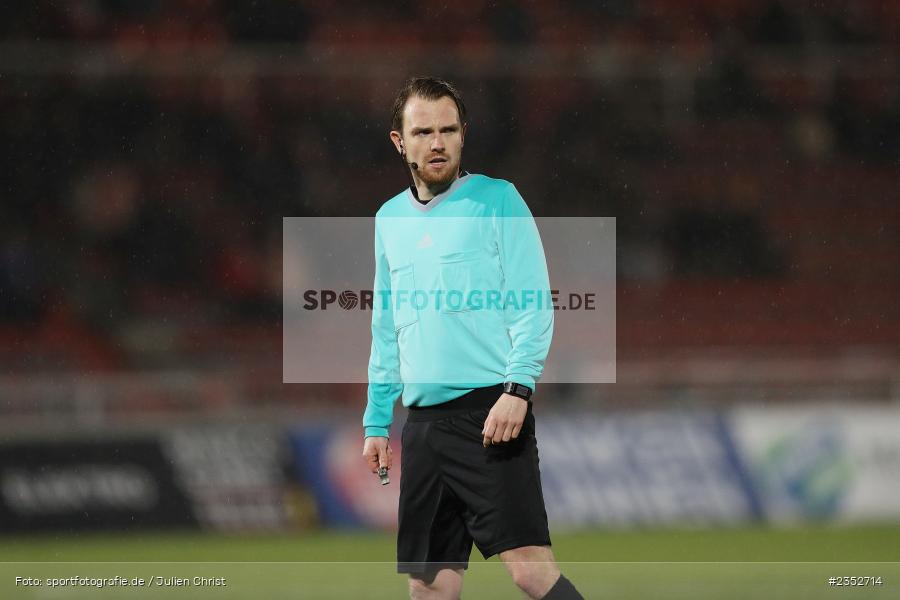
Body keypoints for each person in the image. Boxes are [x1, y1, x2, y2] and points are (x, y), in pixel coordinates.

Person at [362, 77, 584, 600]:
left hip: (491, 416)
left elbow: (533, 301)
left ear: (464, 135)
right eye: (423, 132)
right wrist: (376, 419)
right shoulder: (388, 220)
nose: (436, 142)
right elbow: (387, 326)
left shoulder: (497, 200)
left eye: (448, 130)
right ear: (400, 141)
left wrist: (518, 388)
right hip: (422, 429)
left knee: (531, 572)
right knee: (430, 587)